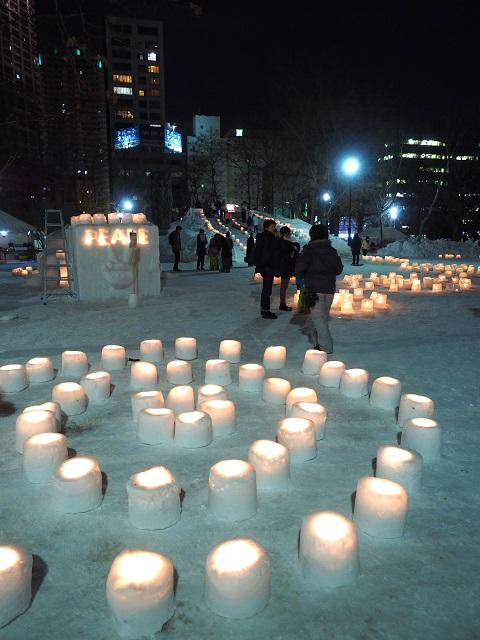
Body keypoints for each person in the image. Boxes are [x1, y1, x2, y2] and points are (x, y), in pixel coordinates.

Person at [295, 224, 343, 353]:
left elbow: (299, 269)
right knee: (323, 318)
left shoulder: (309, 251)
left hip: (314, 289)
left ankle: (325, 347)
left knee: (318, 319)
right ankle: (320, 342)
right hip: (329, 289)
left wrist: (301, 276)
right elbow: (339, 269)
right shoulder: (331, 251)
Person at [253, 218, 278, 319]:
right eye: (272, 227)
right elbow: (269, 253)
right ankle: (265, 311)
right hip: (268, 266)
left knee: (267, 290)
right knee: (267, 290)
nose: (274, 229)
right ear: (266, 227)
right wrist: (266, 264)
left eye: (274, 227)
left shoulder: (266, 237)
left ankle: (265, 310)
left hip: (266, 266)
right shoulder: (268, 237)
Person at [276, 226, 299, 311]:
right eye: (289, 233)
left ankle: (282, 303)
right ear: (286, 233)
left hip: (281, 266)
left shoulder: (278, 242)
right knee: (284, 286)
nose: (290, 235)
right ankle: (282, 304)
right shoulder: (287, 244)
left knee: (284, 286)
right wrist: (294, 250)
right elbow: (291, 256)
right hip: (286, 267)